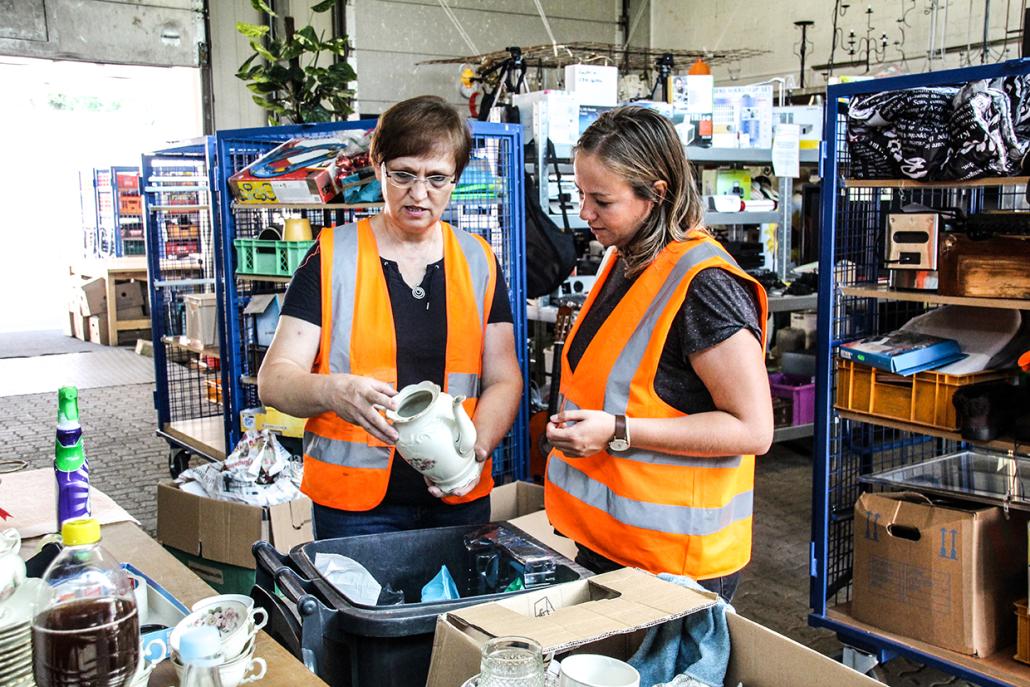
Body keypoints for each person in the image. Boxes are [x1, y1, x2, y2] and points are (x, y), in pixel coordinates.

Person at [258, 95, 523, 539]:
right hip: (354, 508)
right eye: (403, 174)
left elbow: (504, 377)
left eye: (437, 178)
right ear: (377, 166)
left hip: (458, 496)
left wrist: (475, 452)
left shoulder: (478, 259)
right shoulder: (333, 256)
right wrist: (333, 391)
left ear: (456, 179)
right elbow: (275, 380)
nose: (419, 194)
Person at [544, 106, 773, 603]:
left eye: (601, 200)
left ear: (657, 194)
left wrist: (618, 431)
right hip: (611, 544)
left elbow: (753, 429)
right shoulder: (625, 261)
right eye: (581, 195)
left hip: (675, 563)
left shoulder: (706, 286)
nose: (585, 213)